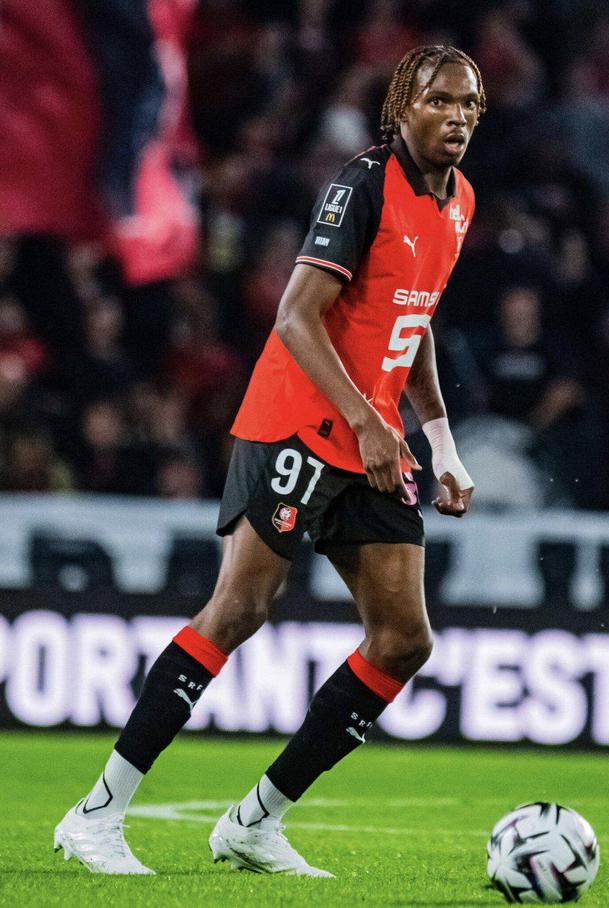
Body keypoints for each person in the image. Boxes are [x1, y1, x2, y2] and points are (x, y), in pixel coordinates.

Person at [54, 44, 485, 877]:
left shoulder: (460, 201)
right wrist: (367, 421)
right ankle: (95, 814)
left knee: (403, 640)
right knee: (240, 608)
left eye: (469, 104)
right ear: (404, 105)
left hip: (372, 440)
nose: (457, 116)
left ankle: (254, 823)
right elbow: (295, 316)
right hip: (297, 423)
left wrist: (441, 441)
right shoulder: (362, 185)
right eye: (440, 100)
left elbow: (414, 315)